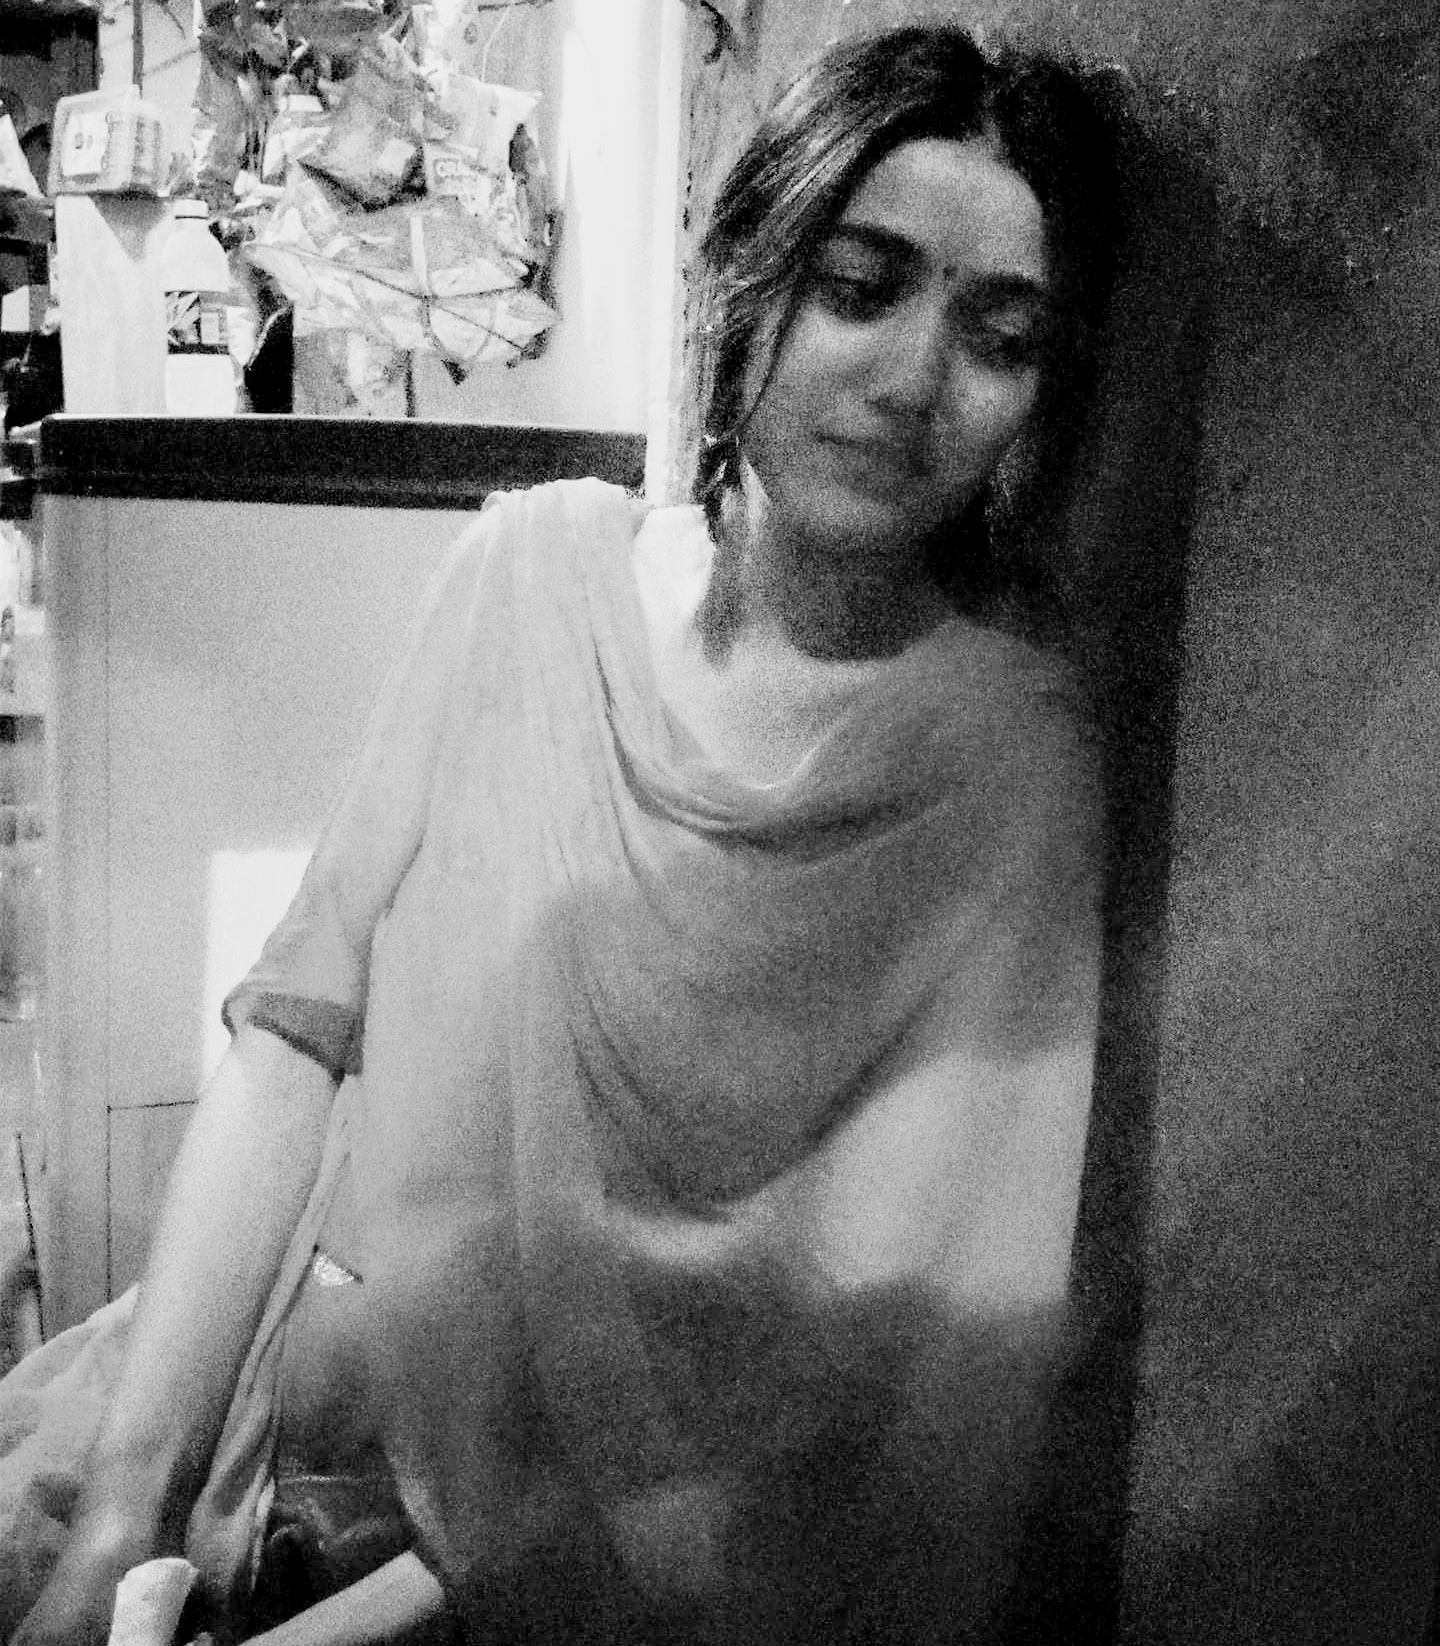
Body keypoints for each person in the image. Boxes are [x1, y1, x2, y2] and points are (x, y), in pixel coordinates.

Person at [7, 23, 1123, 1646]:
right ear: (749, 277)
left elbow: (856, 1392)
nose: (911, 383)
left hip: (627, 1571)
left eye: (999, 337)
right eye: (860, 288)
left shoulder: (1006, 766)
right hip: (350, 1387)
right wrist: (125, 1512)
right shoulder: (530, 582)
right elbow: (297, 1030)